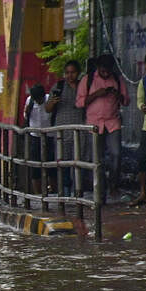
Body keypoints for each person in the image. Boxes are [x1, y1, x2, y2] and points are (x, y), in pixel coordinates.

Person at [76, 53, 129, 200]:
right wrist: (96, 94)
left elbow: (126, 101)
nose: (106, 73)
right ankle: (100, 190)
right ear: (98, 68)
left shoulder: (118, 79)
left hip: (113, 122)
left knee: (116, 155)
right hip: (94, 123)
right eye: (103, 70)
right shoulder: (88, 80)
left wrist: (118, 95)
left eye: (108, 71)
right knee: (97, 159)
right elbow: (79, 103)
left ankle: (113, 185)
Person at [46, 60, 85, 196]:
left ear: (78, 73)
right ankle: (66, 192)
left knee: (79, 162)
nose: (70, 75)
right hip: (61, 130)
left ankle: (78, 192)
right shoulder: (59, 86)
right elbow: (48, 109)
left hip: (80, 130)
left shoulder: (83, 86)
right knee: (63, 162)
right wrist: (53, 102)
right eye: (67, 73)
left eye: (72, 72)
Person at [25, 84, 53, 195]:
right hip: (35, 135)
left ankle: (53, 190)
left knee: (51, 164)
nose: (38, 101)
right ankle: (37, 192)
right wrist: (27, 112)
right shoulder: (30, 101)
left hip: (50, 135)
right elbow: (25, 116)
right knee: (34, 165)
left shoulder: (49, 99)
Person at [133, 52, 146, 205]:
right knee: (142, 158)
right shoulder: (144, 81)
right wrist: (143, 107)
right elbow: (139, 101)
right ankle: (143, 192)